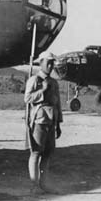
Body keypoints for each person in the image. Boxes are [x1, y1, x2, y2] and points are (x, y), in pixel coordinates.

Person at [24, 51, 63, 193]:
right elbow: (27, 98)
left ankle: (44, 184)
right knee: (36, 152)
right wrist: (42, 90)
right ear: (41, 63)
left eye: (52, 62)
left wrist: (58, 123)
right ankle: (34, 186)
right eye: (48, 62)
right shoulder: (34, 80)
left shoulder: (54, 82)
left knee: (48, 153)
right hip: (39, 120)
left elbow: (57, 103)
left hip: (51, 121)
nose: (51, 65)